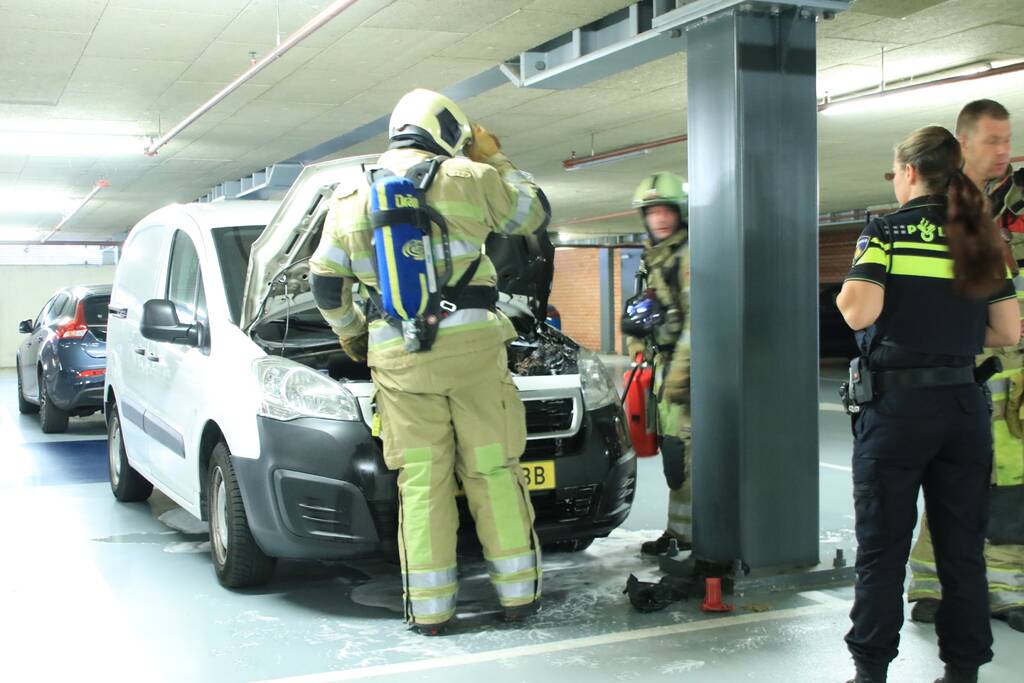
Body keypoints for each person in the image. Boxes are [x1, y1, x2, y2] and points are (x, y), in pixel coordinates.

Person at [308, 88, 550, 635]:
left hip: (399, 359)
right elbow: (534, 211)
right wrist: (494, 156)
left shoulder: (349, 196)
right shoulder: (471, 177)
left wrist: (352, 335)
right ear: (448, 130)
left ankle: (433, 611)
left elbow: (324, 282)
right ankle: (517, 599)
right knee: (492, 469)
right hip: (473, 358)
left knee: (421, 481)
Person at [837, 125, 1020, 683]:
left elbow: (858, 311)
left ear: (910, 173)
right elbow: (1008, 331)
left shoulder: (886, 231)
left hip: (898, 411)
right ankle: (963, 672)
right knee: (963, 550)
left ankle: (871, 672)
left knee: (883, 549)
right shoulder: (982, 237)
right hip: (965, 410)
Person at [908, 99, 1024, 632]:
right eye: (992, 141)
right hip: (955, 362)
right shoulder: (942, 201)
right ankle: (930, 583)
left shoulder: (1018, 200)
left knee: (1012, 482)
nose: (1002, 151)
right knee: (947, 475)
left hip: (1013, 366)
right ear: (964, 143)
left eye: (1007, 140)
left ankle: (1005, 588)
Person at [620, 172, 692, 555]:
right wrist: (635, 343)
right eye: (652, 212)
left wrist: (679, 378)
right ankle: (678, 534)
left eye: (667, 210)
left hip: (687, 376)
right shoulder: (654, 257)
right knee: (674, 459)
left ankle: (694, 539)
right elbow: (644, 309)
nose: (660, 218)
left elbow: (696, 324)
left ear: (680, 213)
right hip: (664, 373)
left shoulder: (685, 257)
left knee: (687, 461)